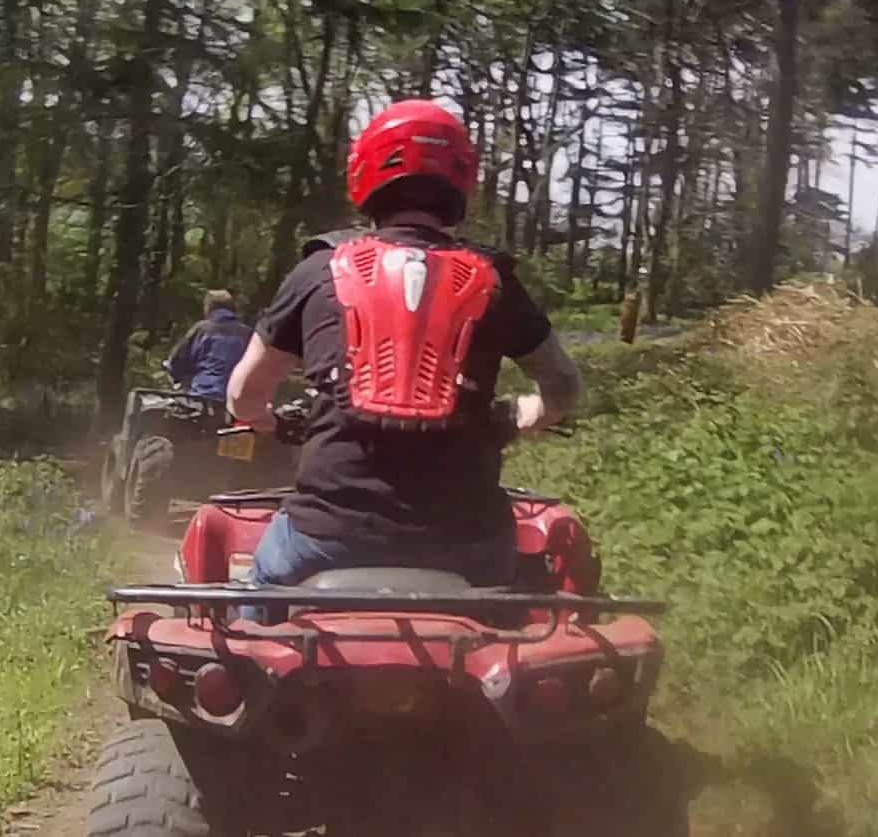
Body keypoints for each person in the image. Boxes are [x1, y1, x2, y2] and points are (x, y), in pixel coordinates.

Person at [225, 99, 583, 599]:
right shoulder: (497, 279)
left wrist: (267, 420)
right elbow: (563, 385)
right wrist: (526, 414)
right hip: (469, 542)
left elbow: (243, 394)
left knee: (252, 603)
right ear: (461, 179)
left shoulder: (317, 271)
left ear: (365, 170)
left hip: (326, 535)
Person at [166, 290, 252, 402]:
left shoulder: (202, 330)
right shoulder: (248, 334)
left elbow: (176, 362)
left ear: (208, 308)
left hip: (202, 396)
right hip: (238, 400)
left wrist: (178, 378)